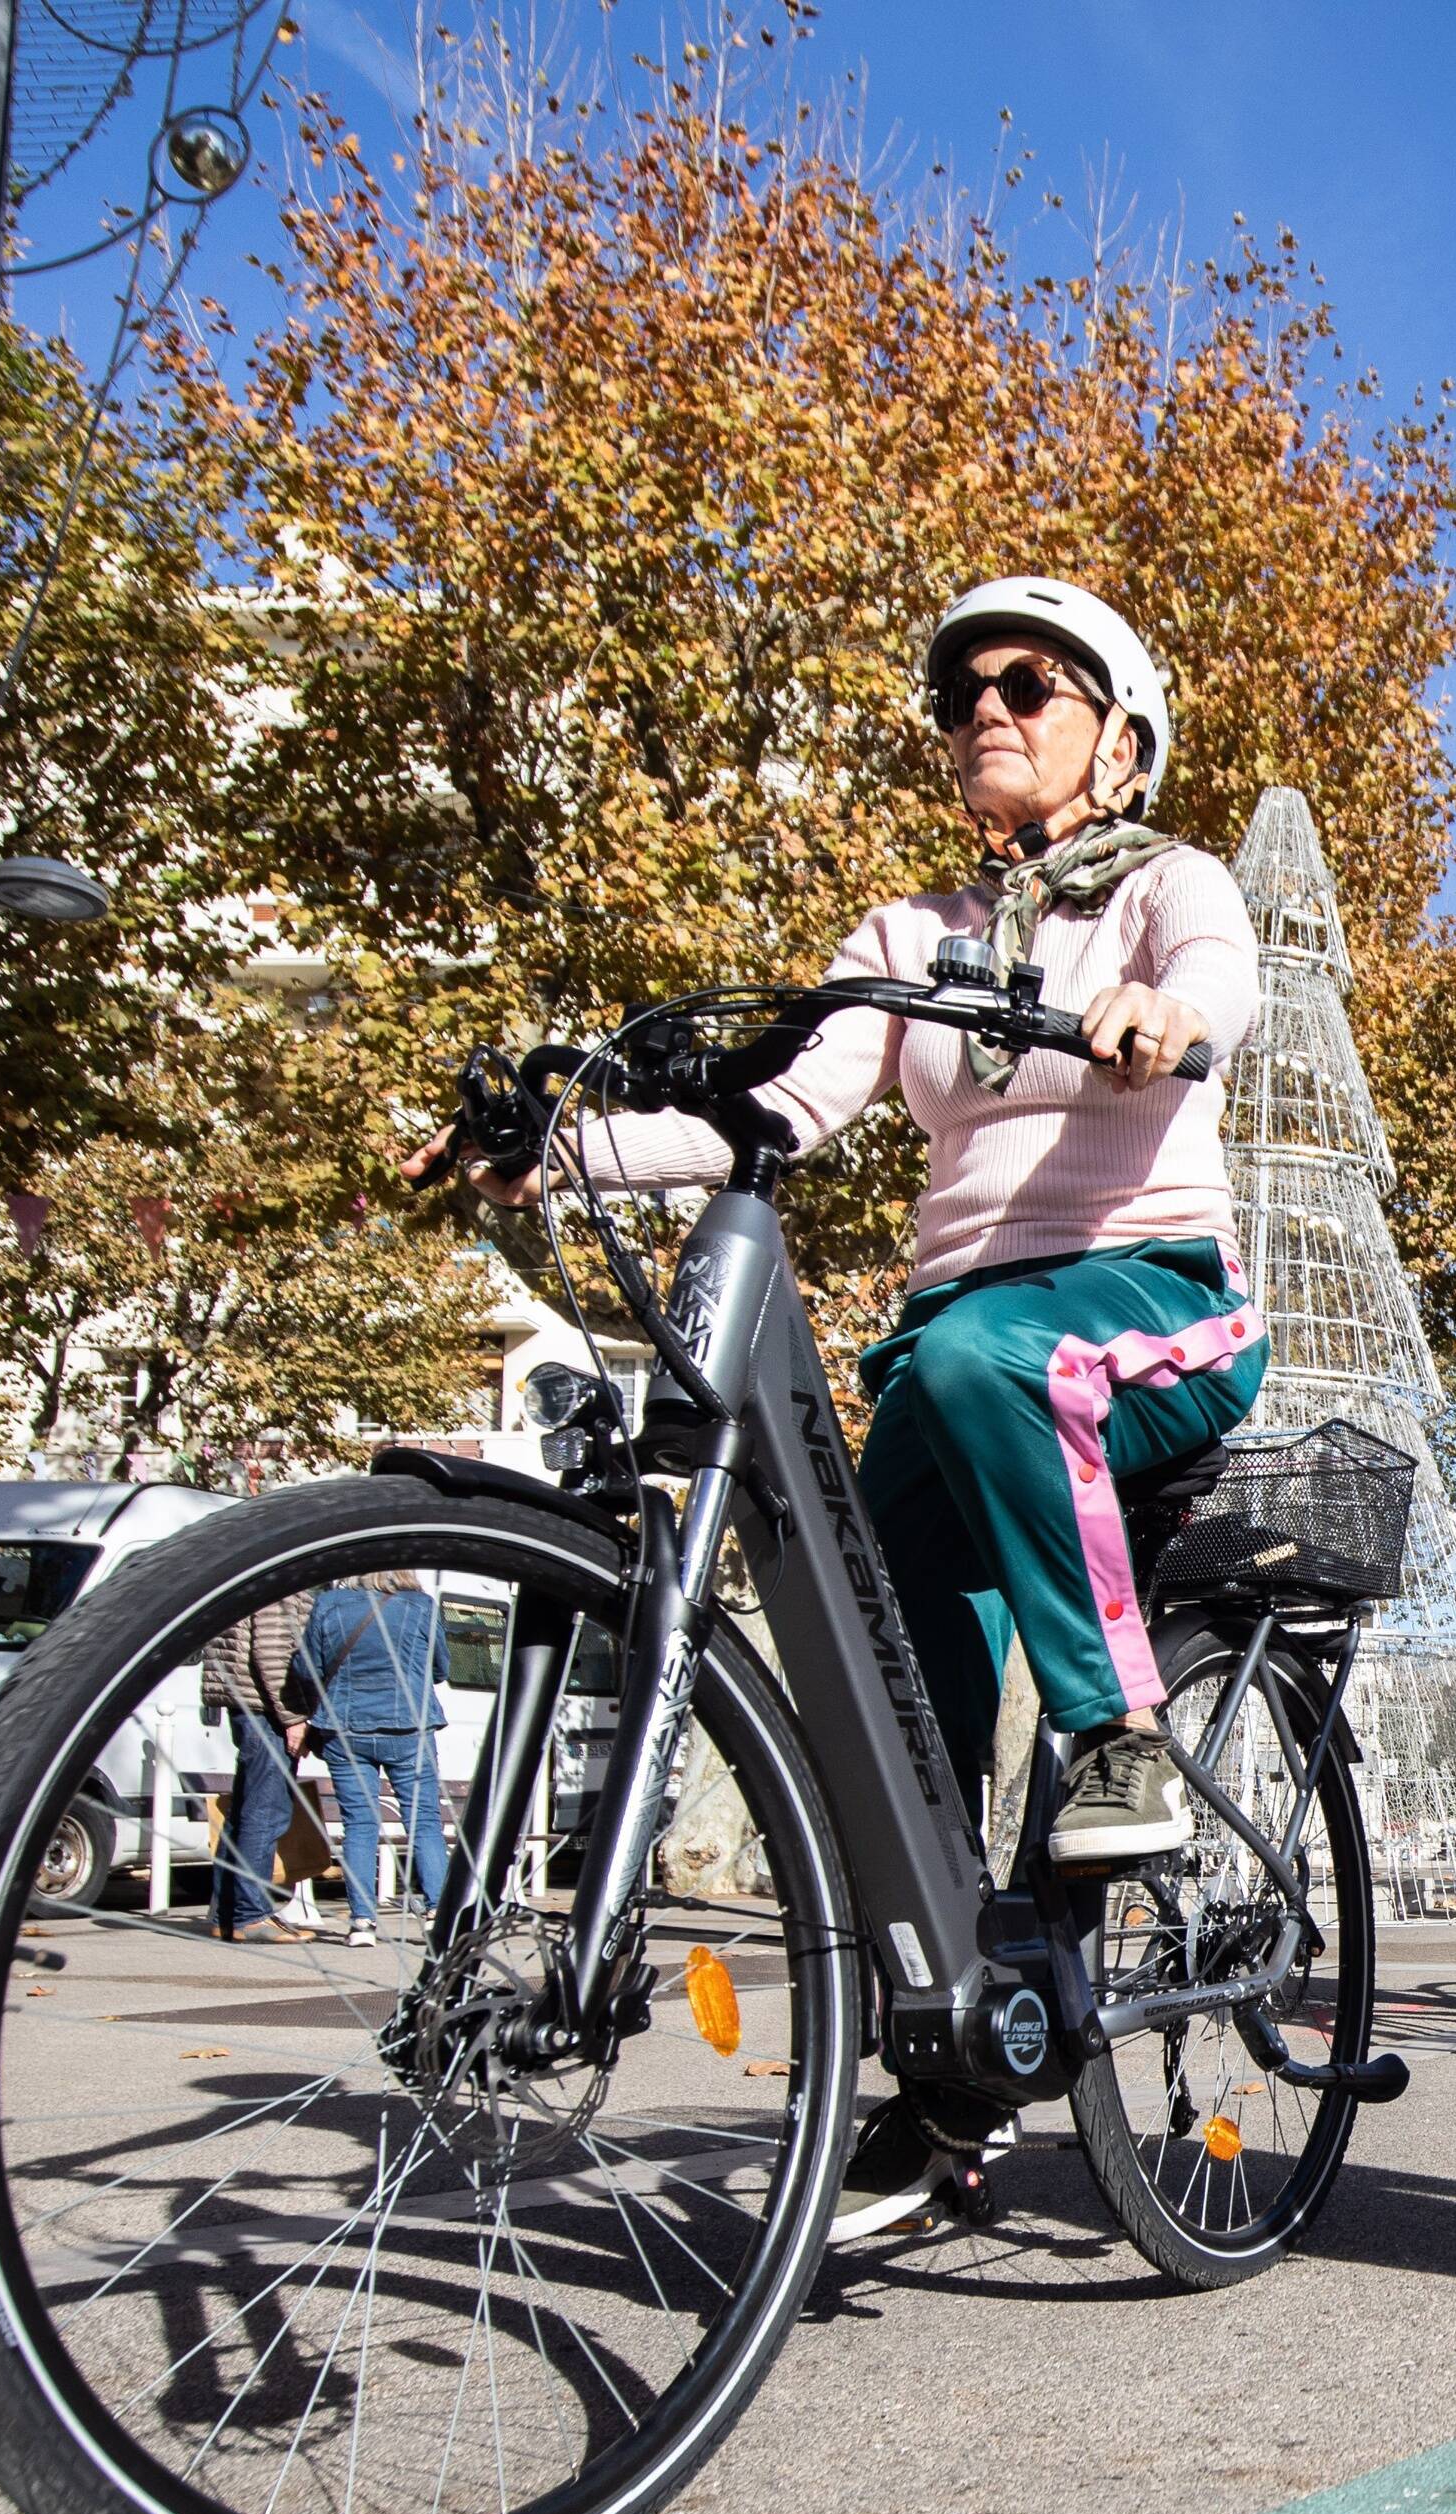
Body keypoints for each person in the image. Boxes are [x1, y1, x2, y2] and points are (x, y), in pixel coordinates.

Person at [440, 574, 1262, 1882]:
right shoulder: (911, 939)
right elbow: (765, 1115)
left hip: (1157, 1304)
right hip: (960, 1344)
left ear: (1120, 741)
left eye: (1027, 685)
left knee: (978, 1358)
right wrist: (558, 1148)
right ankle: (956, 1958)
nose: (986, 706)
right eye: (962, 693)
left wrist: (1170, 1019)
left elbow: (1221, 971)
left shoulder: (1165, 886)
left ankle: (1119, 1733)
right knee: (860, 1587)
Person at [295, 1572, 450, 1945]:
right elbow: (441, 1668)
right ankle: (437, 1914)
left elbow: (305, 1669)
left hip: (345, 1728)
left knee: (360, 1824)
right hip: (409, 1727)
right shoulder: (421, 1606)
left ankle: (362, 1922)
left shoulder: (328, 1605)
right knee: (424, 1822)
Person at [198, 1583, 318, 1943]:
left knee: (245, 1813)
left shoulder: (251, 1574)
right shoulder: (285, 1580)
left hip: (247, 1702)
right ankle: (249, 1915)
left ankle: (227, 1913)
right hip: (265, 1708)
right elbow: (273, 1652)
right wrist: (294, 1716)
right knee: (265, 1812)